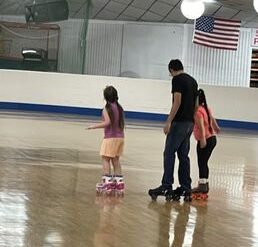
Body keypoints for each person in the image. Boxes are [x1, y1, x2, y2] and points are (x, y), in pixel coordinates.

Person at [149, 59, 198, 201]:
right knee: (184, 156)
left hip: (179, 122)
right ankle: (185, 187)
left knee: (169, 153)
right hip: (189, 122)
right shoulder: (193, 81)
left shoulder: (177, 80)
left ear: (171, 70)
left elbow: (177, 101)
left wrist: (169, 121)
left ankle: (166, 186)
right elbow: (195, 105)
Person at [88, 85, 125, 195]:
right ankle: (119, 184)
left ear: (105, 97)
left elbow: (107, 122)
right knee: (116, 160)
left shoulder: (106, 109)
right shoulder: (119, 108)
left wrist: (93, 126)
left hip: (110, 138)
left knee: (105, 159)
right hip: (120, 137)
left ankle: (107, 184)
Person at [192, 89, 220, 198]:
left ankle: (202, 186)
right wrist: (216, 127)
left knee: (202, 162)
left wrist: (202, 139)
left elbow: (201, 126)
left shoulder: (197, 111)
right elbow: (212, 118)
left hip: (206, 139)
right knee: (204, 162)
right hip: (212, 138)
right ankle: (205, 185)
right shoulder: (206, 108)